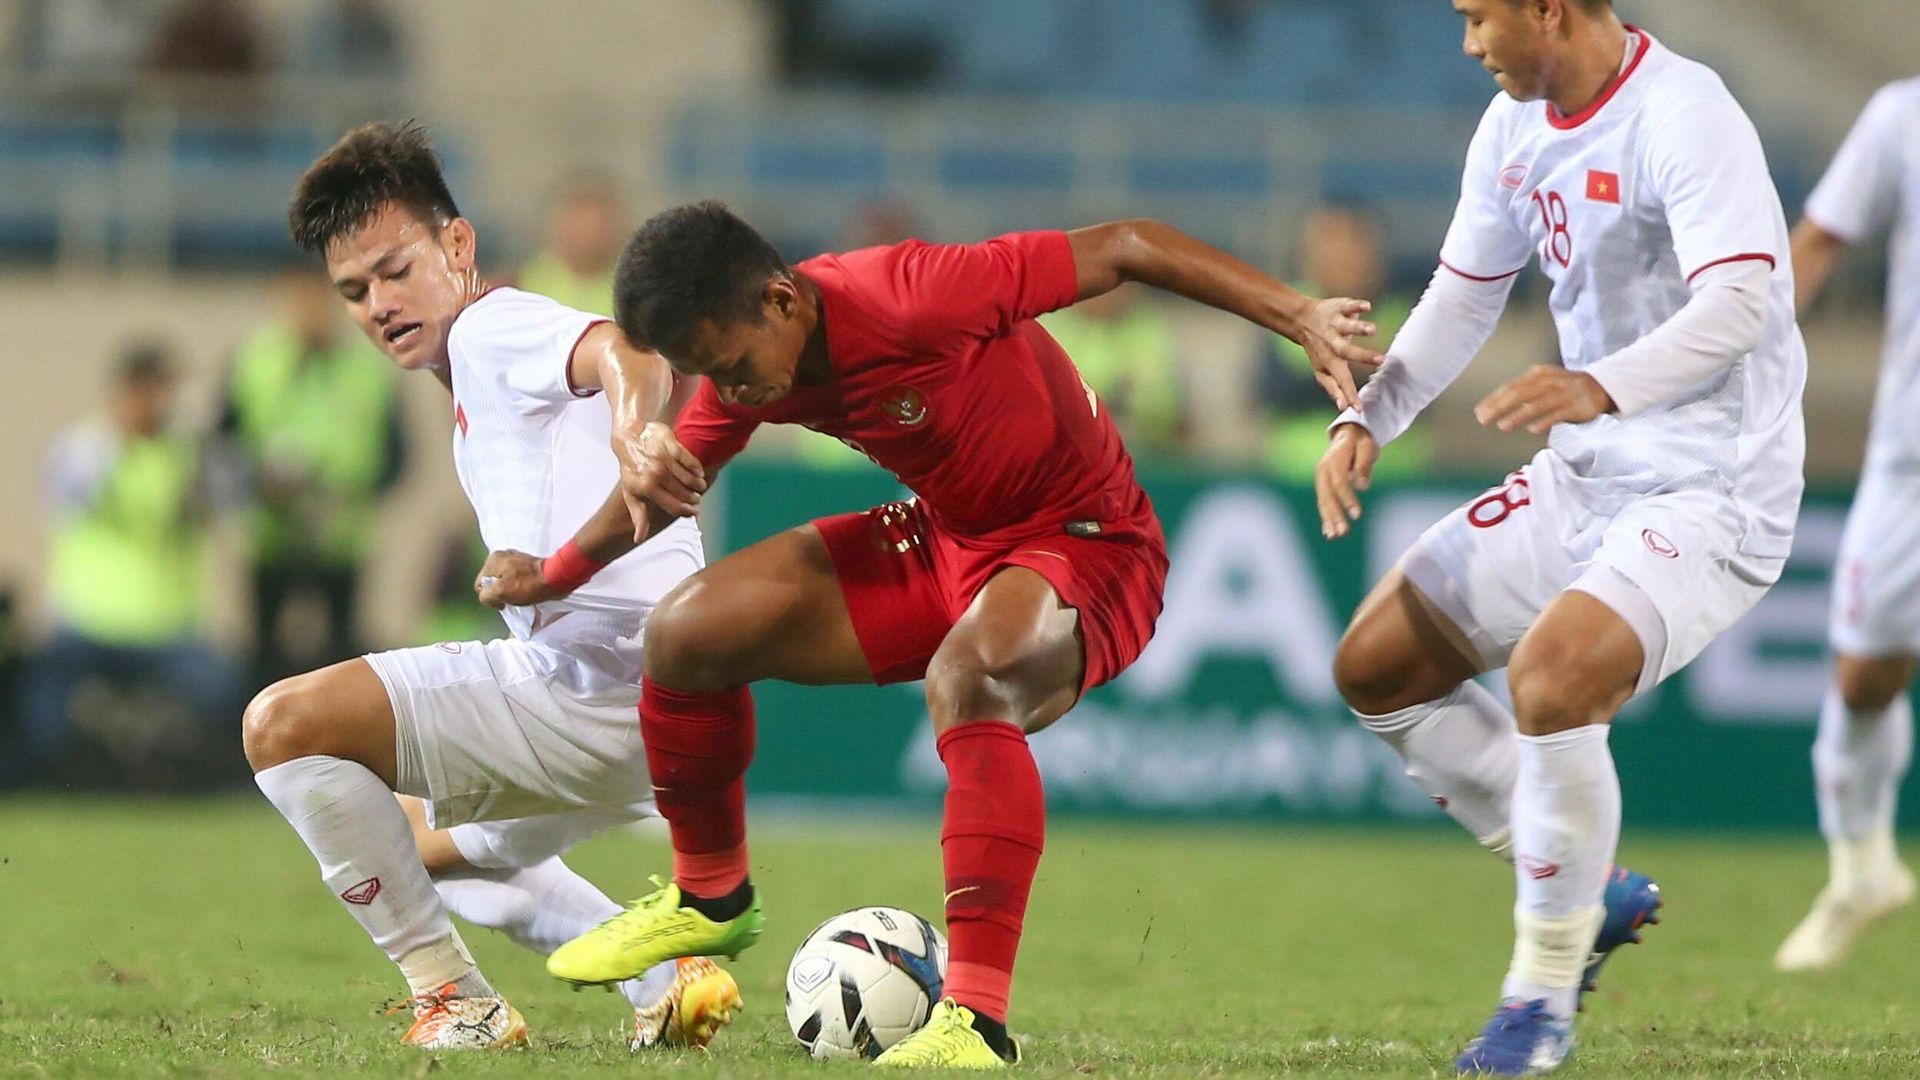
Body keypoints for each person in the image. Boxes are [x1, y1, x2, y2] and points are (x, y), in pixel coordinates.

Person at [539, 200, 1380, 1068]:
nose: (735, 388)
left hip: (1088, 541)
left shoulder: (912, 294)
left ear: (781, 302)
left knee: (967, 679)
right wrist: (554, 571)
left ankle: (975, 1022)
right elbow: (664, 490)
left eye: (732, 363)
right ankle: (710, 894)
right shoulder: (748, 365)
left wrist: (1299, 315)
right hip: (947, 542)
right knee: (684, 633)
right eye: (706, 372)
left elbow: (1127, 246)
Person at [1316, 2, 1806, 1073]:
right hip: (1584, 472)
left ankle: (1538, 998)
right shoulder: (1512, 126)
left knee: (1553, 678)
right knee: (1377, 667)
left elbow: (1741, 307)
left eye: (1478, 17)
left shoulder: (1686, 113)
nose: (1466, 43)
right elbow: (1462, 294)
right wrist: (1371, 417)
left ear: (1548, 10)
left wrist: (1596, 384)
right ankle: (1590, 891)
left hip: (1709, 488)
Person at [244, 121, 738, 1052]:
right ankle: (670, 980)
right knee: (413, 854)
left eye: (396, 270)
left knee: (284, 725)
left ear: (458, 245)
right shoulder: (468, 369)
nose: (378, 305)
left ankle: (454, 1001)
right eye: (354, 291)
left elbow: (630, 353)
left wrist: (638, 433)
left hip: (599, 687)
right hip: (661, 705)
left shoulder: (490, 325)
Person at [1773, 76, 1920, 974]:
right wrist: (1723, 347)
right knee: (1865, 673)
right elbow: (1818, 241)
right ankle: (1860, 864)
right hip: (1911, 461)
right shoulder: (1902, 117)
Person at [24, 343, 243, 784]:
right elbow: (62, 494)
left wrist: (209, 439)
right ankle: (43, 784)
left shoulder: (189, 455)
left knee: (228, 696)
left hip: (168, 628)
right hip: (88, 624)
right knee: (40, 703)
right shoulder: (86, 446)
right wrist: (114, 440)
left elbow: (230, 499)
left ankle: (204, 787)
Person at [219, 267, 405, 683]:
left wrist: (347, 493)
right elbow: (222, 446)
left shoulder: (367, 367)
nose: (310, 312)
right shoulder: (253, 360)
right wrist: (259, 485)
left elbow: (397, 457)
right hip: (270, 537)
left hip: (340, 539)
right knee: (263, 657)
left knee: (341, 656)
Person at [1256, 202, 1424, 480]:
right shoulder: (1285, 306)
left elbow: (1425, 387)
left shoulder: (1407, 313)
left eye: (1355, 239)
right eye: (1330, 239)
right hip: (1299, 476)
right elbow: (1272, 387)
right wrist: (1365, 367)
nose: (1344, 254)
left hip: (1392, 478)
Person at [517, 169, 630, 317]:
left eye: (598, 225)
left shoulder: (633, 289)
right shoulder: (523, 285)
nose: (589, 235)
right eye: (580, 223)